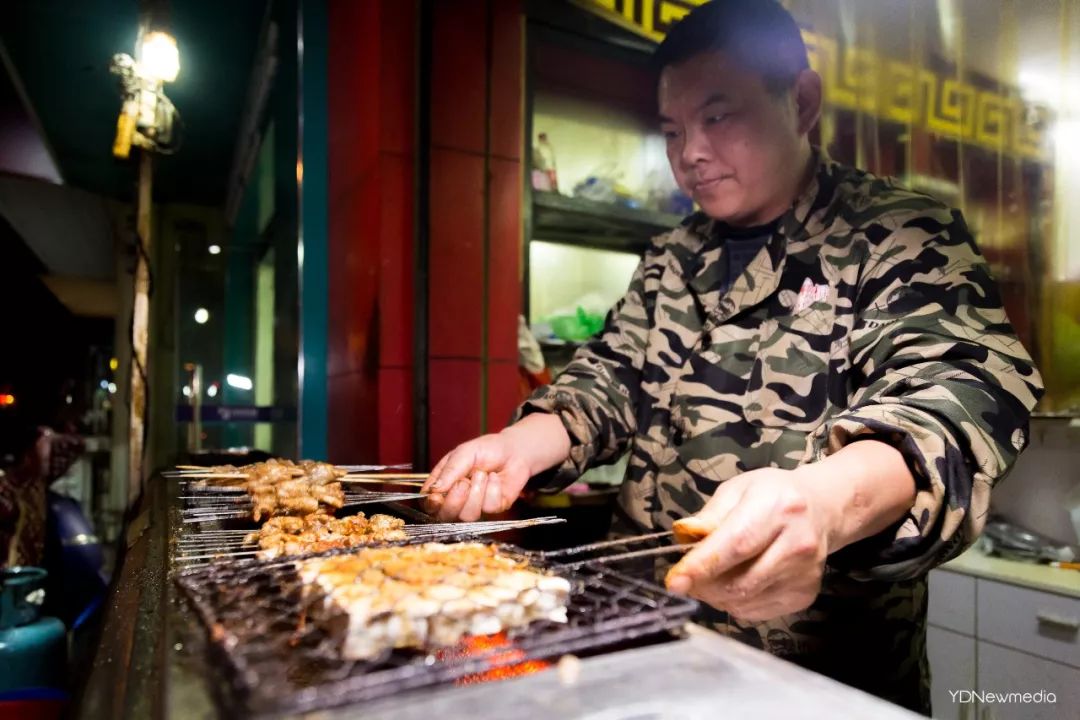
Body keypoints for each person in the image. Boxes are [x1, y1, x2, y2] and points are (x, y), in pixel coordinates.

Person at [420, 0, 1043, 713]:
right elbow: (610, 377)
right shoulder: (672, 255)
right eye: (672, 131)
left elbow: (956, 391)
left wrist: (824, 504)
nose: (690, 152)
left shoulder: (898, 233)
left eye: (718, 117)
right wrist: (518, 447)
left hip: (812, 671)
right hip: (652, 639)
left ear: (802, 102)